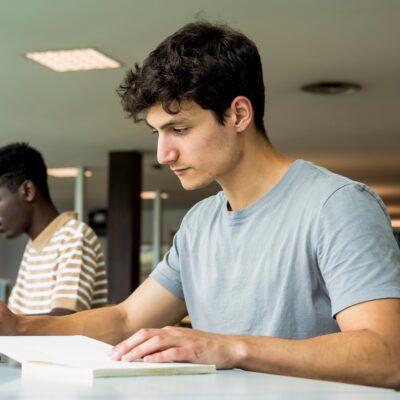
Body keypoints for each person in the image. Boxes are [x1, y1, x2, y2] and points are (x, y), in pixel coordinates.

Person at [1, 22, 400, 388]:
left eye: (180, 129)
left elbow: (387, 355)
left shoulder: (337, 206)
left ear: (238, 114)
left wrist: (231, 348)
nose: (162, 153)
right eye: (158, 132)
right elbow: (125, 319)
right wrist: (18, 327)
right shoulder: (199, 224)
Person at [0, 143, 108, 315]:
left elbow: (64, 319)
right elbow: (15, 317)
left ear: (27, 191)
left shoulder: (74, 237)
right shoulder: (33, 247)